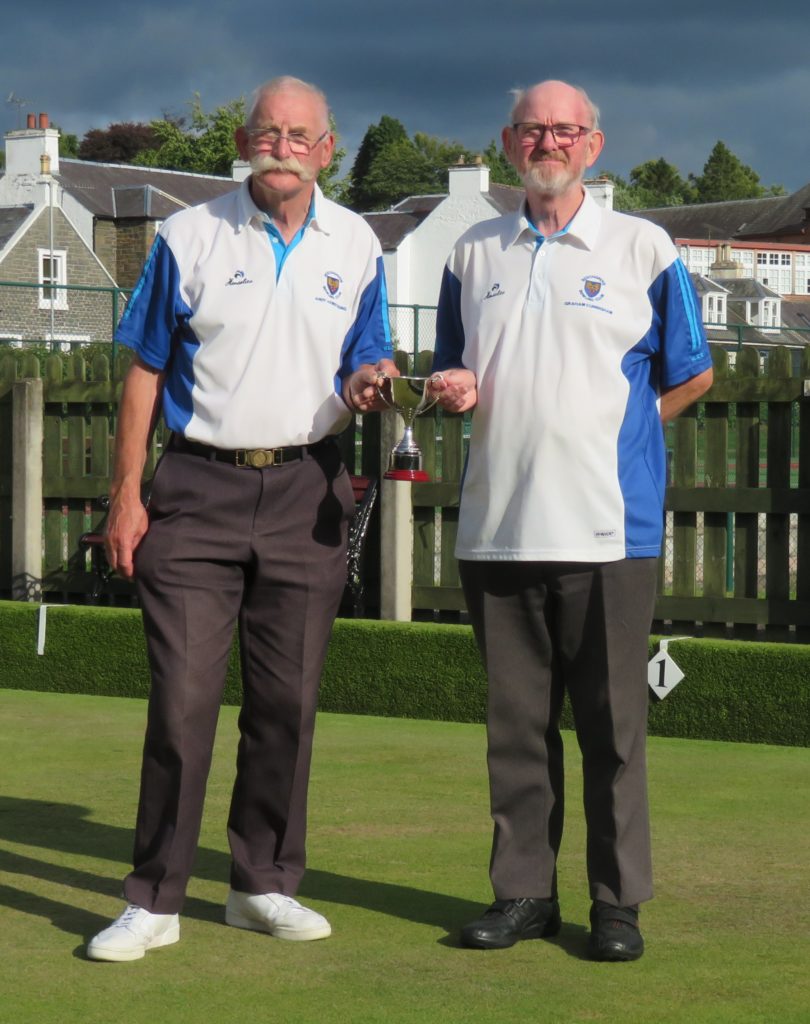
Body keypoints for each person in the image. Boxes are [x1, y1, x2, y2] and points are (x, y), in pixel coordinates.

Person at [86, 76, 395, 962]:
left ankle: (262, 885)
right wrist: (126, 495)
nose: (282, 148)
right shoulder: (189, 234)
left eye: (300, 136)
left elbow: (365, 353)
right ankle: (154, 899)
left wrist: (370, 378)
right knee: (183, 703)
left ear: (326, 151)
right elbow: (145, 370)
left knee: (286, 705)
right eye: (267, 132)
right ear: (243, 141)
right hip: (196, 488)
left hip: (308, 490)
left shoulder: (358, 242)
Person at [429, 80, 713, 960]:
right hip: (497, 526)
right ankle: (523, 896)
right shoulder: (471, 251)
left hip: (608, 526)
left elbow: (693, 372)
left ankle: (616, 904)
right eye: (532, 129)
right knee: (516, 731)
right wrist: (452, 389)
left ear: (593, 144)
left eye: (564, 129)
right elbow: (451, 368)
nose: (547, 142)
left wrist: (621, 429)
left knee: (612, 728)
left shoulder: (642, 246)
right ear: (508, 142)